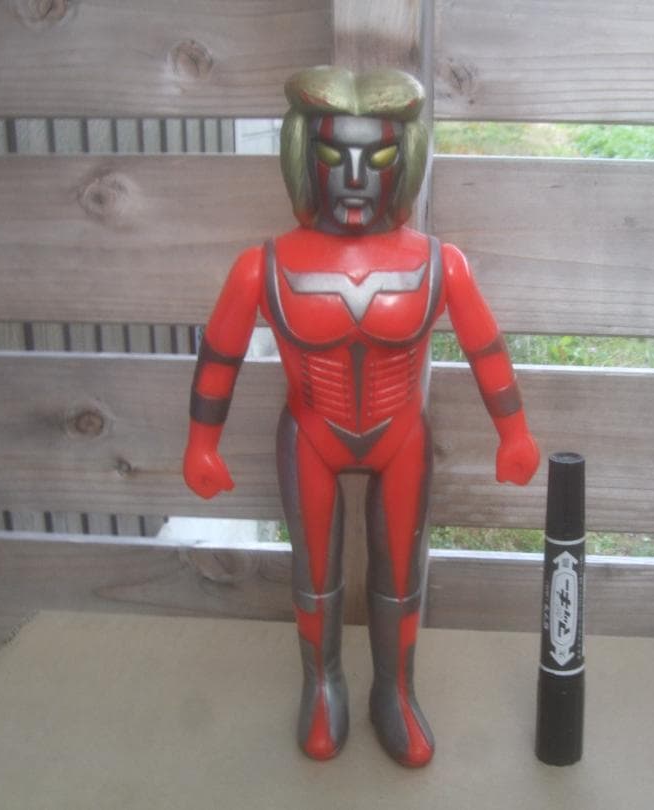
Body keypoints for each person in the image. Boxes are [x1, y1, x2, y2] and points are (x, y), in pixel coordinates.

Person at [183, 65, 540, 767]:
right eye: (332, 154)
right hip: (310, 435)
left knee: (400, 577)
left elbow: (487, 349)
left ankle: (394, 692)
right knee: (313, 575)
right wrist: (201, 443)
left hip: (400, 438)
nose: (354, 177)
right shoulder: (261, 267)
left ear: (405, 162)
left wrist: (515, 434)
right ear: (301, 157)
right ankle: (322, 686)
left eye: (376, 158)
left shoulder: (442, 265)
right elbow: (220, 355)